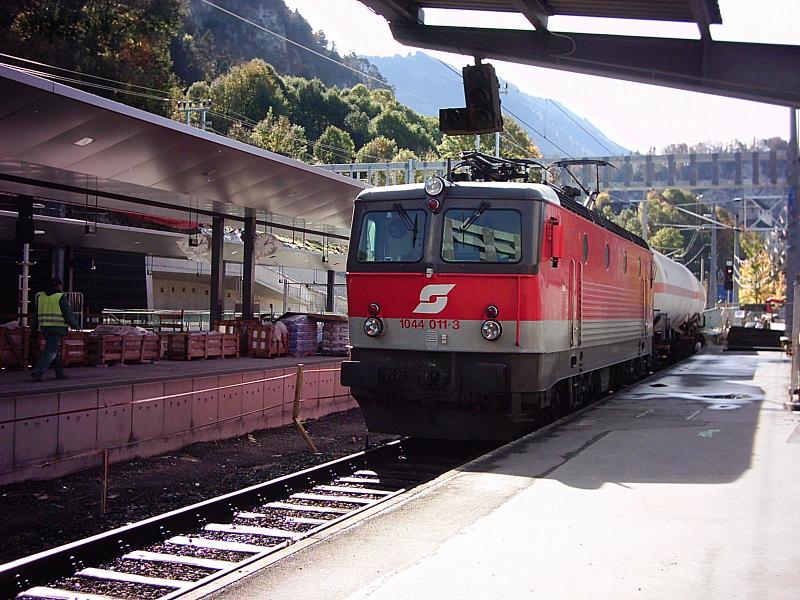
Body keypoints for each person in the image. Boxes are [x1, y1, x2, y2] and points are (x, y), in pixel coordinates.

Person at [32, 277, 79, 381]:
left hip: (44, 327)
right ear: (58, 286)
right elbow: (67, 313)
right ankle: (38, 371)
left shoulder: (41, 296)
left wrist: (33, 327)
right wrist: (75, 325)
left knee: (54, 350)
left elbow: (35, 313)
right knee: (51, 350)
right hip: (56, 328)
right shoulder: (60, 297)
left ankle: (60, 373)